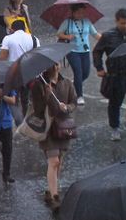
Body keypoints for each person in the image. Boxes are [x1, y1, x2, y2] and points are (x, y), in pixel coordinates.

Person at [93, 8, 126, 141]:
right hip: (116, 76)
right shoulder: (108, 36)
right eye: (123, 23)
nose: (125, 26)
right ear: (117, 21)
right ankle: (115, 128)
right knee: (115, 103)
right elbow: (97, 51)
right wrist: (99, 68)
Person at [32, 63, 77, 212]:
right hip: (48, 129)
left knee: (59, 162)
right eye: (52, 65)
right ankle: (55, 196)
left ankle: (50, 189)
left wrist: (67, 107)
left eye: (57, 64)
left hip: (63, 128)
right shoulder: (39, 85)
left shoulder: (67, 83)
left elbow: (73, 102)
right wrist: (46, 95)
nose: (55, 68)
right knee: (54, 161)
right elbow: (37, 109)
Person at [57, 3, 101, 105]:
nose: (81, 15)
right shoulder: (67, 22)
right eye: (78, 13)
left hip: (85, 51)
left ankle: (75, 83)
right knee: (78, 72)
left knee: (86, 73)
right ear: (73, 12)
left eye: (83, 12)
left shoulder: (87, 22)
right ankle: (80, 96)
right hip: (72, 51)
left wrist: (106, 39)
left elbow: (95, 34)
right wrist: (68, 37)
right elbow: (59, 33)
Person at [0, 20, 40, 117]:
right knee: (26, 99)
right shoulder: (34, 39)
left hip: (14, 74)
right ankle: (26, 119)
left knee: (14, 99)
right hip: (29, 74)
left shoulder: (8, 38)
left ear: (12, 29)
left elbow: (3, 57)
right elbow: (37, 56)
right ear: (25, 28)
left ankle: (18, 121)